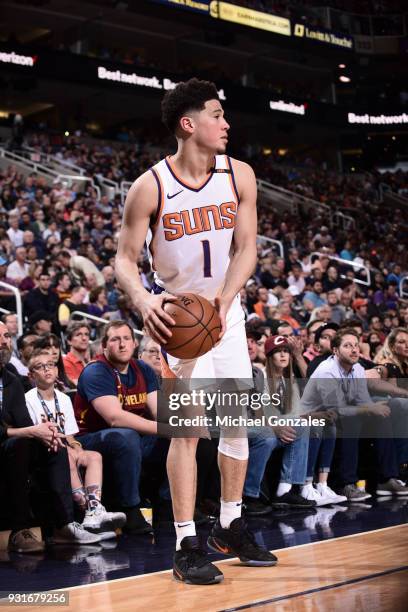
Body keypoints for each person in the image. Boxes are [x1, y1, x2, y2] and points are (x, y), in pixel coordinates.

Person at [115, 78, 277, 585]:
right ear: (189, 124)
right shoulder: (150, 185)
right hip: (178, 322)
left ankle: (230, 523)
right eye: (217, 114)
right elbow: (123, 259)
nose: (227, 123)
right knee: (186, 432)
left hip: (224, 314)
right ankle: (186, 540)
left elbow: (247, 248)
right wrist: (143, 299)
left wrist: (226, 302)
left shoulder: (240, 175)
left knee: (235, 425)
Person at [0, 322, 101, 551]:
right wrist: (30, 431)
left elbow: (26, 425)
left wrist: (48, 435)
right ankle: (19, 530)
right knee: (20, 444)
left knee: (54, 445)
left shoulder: (11, 380)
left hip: (14, 444)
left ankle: (64, 525)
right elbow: (25, 430)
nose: (5, 341)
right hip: (8, 444)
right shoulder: (23, 388)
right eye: (0, 337)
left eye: (7, 336)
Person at [74, 321, 163, 535]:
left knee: (184, 435)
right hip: (90, 439)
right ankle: (130, 509)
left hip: (131, 437)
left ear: (134, 343)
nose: (122, 345)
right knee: (127, 435)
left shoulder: (142, 368)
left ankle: (169, 506)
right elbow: (114, 417)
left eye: (126, 339)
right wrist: (164, 427)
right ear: (104, 346)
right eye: (115, 339)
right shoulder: (96, 371)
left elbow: (161, 411)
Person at [25, 349, 125, 535]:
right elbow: (35, 434)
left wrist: (77, 447)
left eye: (51, 365)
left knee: (94, 456)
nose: (47, 370)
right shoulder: (28, 399)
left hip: (66, 445)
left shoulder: (63, 398)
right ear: (31, 375)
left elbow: (70, 434)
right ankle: (87, 511)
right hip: (46, 448)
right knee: (67, 457)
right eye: (40, 367)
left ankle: (94, 510)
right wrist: (68, 449)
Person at [243, 335, 315, 514]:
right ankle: (249, 495)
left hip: (277, 430)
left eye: (285, 352)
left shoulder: (289, 382)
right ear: (268, 356)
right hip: (254, 428)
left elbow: (296, 415)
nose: (283, 356)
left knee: (304, 425)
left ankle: (285, 489)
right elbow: (254, 414)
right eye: (277, 352)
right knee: (266, 439)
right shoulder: (259, 376)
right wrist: (275, 427)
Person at [63, 321, 91, 385]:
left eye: (86, 334)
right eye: (78, 335)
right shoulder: (65, 362)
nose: (84, 338)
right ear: (69, 341)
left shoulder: (91, 362)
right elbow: (75, 386)